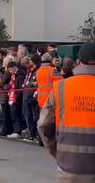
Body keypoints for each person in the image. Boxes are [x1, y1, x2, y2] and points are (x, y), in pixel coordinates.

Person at [38, 43, 95, 183]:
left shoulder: (61, 87)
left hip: (69, 166)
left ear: (79, 62)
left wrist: (55, 151)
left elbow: (43, 125)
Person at [21, 55, 40, 142]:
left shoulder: (37, 71)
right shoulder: (29, 71)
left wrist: (32, 84)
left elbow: (35, 83)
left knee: (34, 117)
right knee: (28, 116)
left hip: (33, 96)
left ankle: (35, 135)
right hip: (27, 95)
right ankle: (31, 134)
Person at [5, 61, 26, 139]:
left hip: (16, 98)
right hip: (12, 96)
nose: (10, 72)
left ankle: (17, 131)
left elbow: (20, 89)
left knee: (16, 114)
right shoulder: (13, 75)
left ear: (14, 68)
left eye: (10, 70)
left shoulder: (20, 76)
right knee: (13, 114)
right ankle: (15, 130)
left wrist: (16, 98)